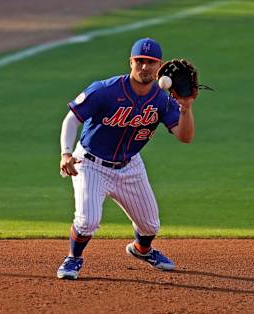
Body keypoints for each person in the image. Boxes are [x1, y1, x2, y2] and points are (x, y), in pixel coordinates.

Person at [57, 38, 197, 280]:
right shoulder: (105, 90)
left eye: (151, 62)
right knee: (87, 221)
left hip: (130, 165)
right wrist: (66, 153)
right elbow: (72, 118)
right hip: (90, 164)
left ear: (159, 66)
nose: (144, 67)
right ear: (131, 62)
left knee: (151, 226)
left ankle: (142, 250)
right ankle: (74, 258)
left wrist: (185, 108)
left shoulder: (162, 100)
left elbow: (184, 137)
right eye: (140, 61)